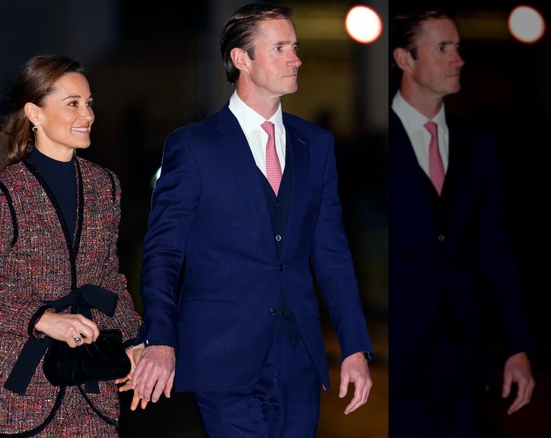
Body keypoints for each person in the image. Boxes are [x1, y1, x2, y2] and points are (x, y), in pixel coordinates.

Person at [130, 3, 374, 436]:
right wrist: (161, 337)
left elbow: (332, 253)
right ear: (242, 59)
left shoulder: (315, 144)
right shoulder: (193, 146)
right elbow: (164, 252)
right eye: (280, 47)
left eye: (294, 47)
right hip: (220, 357)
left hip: (299, 357)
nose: (295, 58)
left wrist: (354, 345)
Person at [0, 54, 143, 437]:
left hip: (93, 385)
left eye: (88, 103)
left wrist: (134, 337)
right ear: (34, 113)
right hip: (23, 392)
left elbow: (108, 278)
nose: (87, 114)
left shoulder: (105, 185)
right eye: (72, 103)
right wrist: (42, 319)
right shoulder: (1, 193)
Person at [388, 7, 536, 436]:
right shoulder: (370, 147)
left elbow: (494, 251)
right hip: (397, 360)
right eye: (443, 48)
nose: (459, 60)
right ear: (405, 59)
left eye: (458, 48)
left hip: (464, 362)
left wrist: (517, 345)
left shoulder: (479, 145)